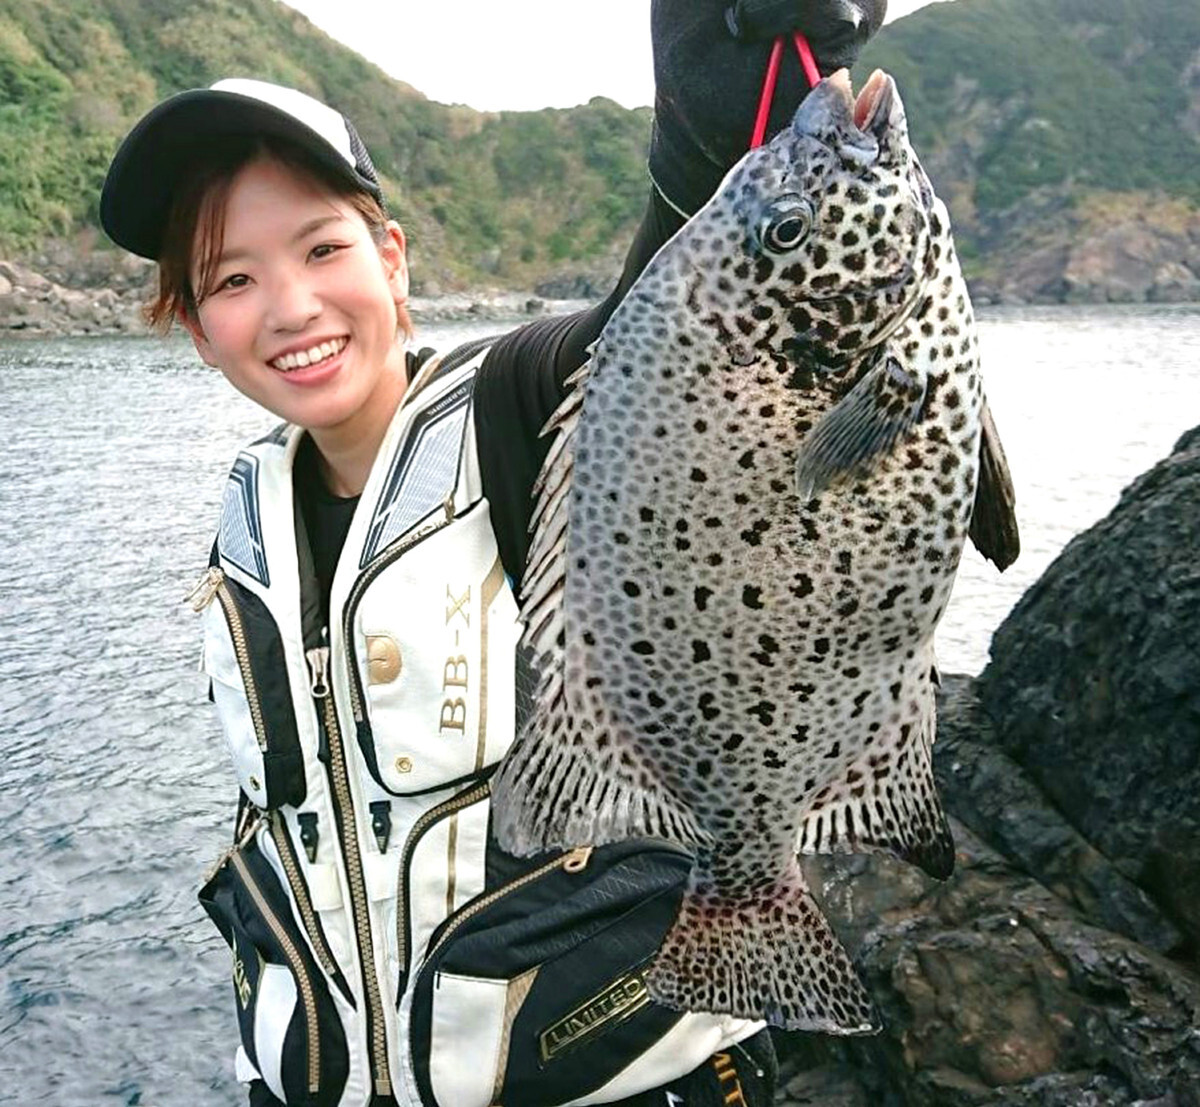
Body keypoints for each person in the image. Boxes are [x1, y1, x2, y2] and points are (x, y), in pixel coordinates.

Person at [99, 2, 886, 1104]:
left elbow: (664, 304)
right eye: (232, 280)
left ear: (391, 258)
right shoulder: (252, 520)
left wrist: (712, 118)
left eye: (322, 249)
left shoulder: (523, 405)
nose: (289, 306)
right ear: (196, 327)